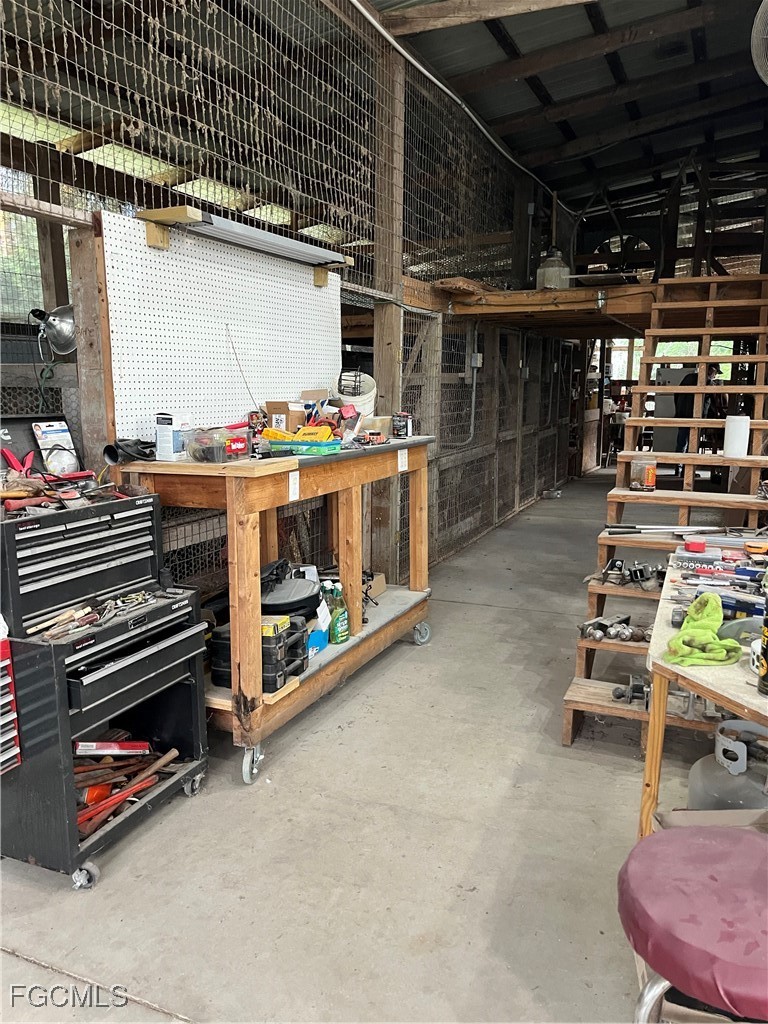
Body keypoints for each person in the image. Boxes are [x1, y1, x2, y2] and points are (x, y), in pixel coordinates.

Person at [674, 363, 721, 455]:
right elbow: (716, 402)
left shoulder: (688, 377)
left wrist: (678, 410)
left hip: (682, 415)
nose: (715, 375)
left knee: (681, 442)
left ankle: (679, 466)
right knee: (693, 443)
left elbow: (676, 395)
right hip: (696, 416)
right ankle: (688, 465)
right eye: (715, 373)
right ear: (711, 370)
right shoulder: (708, 383)